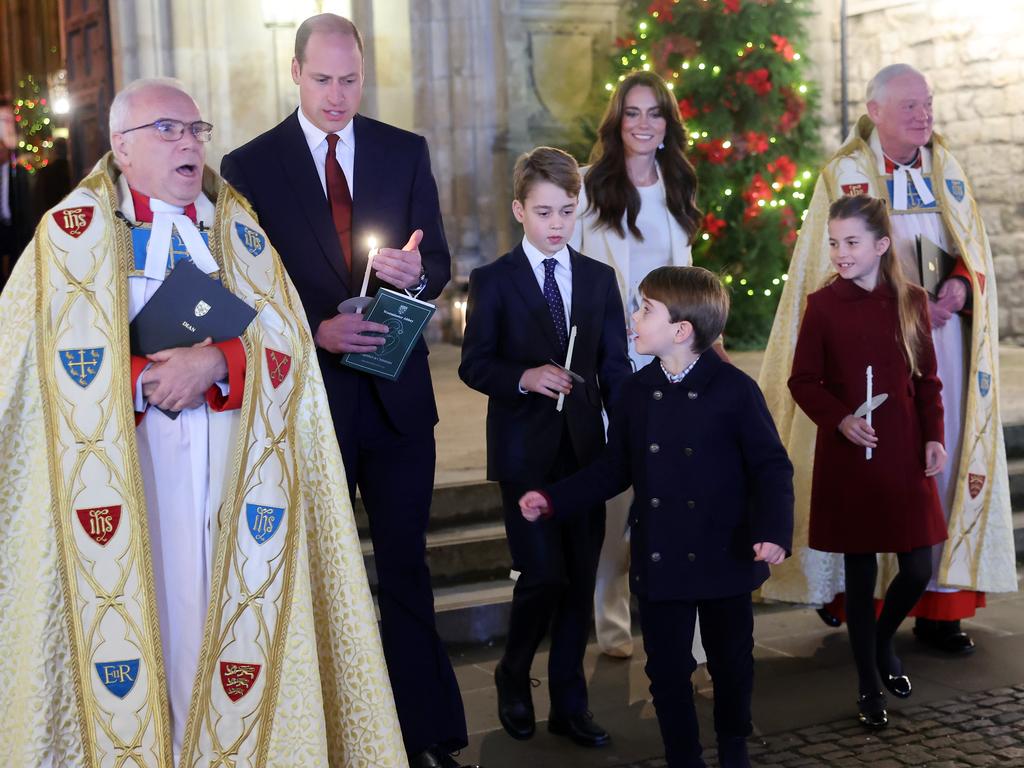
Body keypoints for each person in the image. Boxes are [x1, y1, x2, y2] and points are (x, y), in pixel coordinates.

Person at [0, 78, 405, 767]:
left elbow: (286, 343)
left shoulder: (236, 230)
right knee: (149, 618)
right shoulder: (70, 235)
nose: (190, 143)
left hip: (233, 469)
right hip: (131, 472)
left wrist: (216, 365)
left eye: (196, 129)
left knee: (219, 618)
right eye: (169, 130)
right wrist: (140, 380)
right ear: (122, 149)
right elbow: (27, 363)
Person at [220, 14, 474, 768]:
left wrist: (412, 274)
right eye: (324, 79)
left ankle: (425, 737)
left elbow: (438, 259)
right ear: (295, 72)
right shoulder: (249, 165)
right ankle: (323, 737)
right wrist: (315, 333)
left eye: (351, 79)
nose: (338, 95)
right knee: (311, 574)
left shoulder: (404, 150)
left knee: (405, 568)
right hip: (306, 402)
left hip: (396, 399)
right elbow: (242, 292)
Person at [759, 64, 1016, 653]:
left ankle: (939, 608)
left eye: (927, 104)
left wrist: (957, 286)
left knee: (937, 456)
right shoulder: (844, 175)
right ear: (875, 111)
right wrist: (898, 304)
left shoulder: (945, 167)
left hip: (942, 341)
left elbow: (968, 248)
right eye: (909, 106)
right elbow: (821, 270)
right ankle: (861, 604)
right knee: (872, 461)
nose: (924, 115)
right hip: (869, 348)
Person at [519, 266, 793, 768]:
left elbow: (771, 467)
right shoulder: (636, 392)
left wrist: (772, 531)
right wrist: (554, 498)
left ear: (681, 330)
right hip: (661, 554)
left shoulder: (734, 390)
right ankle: (682, 757)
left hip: (725, 553)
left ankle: (734, 748)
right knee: (667, 671)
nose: (634, 319)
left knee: (732, 664)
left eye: (645, 310)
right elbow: (613, 469)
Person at [459, 146, 631, 748]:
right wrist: (525, 376)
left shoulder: (598, 279)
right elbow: (475, 364)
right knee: (542, 575)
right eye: (543, 212)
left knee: (579, 578)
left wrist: (630, 431)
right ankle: (512, 671)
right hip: (524, 452)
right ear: (519, 211)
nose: (556, 224)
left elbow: (613, 367)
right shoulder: (492, 281)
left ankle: (569, 702)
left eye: (566, 210)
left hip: (584, 454)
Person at [789, 195, 949, 728]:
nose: (840, 252)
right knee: (858, 575)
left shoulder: (911, 300)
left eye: (852, 242)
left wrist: (935, 438)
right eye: (833, 242)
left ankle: (881, 644)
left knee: (918, 567)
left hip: (903, 451)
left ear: (881, 246)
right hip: (851, 454)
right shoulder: (822, 305)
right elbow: (803, 381)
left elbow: (926, 381)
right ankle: (866, 684)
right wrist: (839, 419)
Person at [571, 70, 703, 660]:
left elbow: (690, 278)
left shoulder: (677, 188)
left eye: (655, 113)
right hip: (613, 363)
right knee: (617, 499)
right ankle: (611, 618)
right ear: (617, 122)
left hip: (674, 360)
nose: (644, 124)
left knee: (679, 497)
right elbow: (570, 273)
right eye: (633, 113)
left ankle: (689, 642)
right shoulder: (588, 189)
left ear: (667, 124)